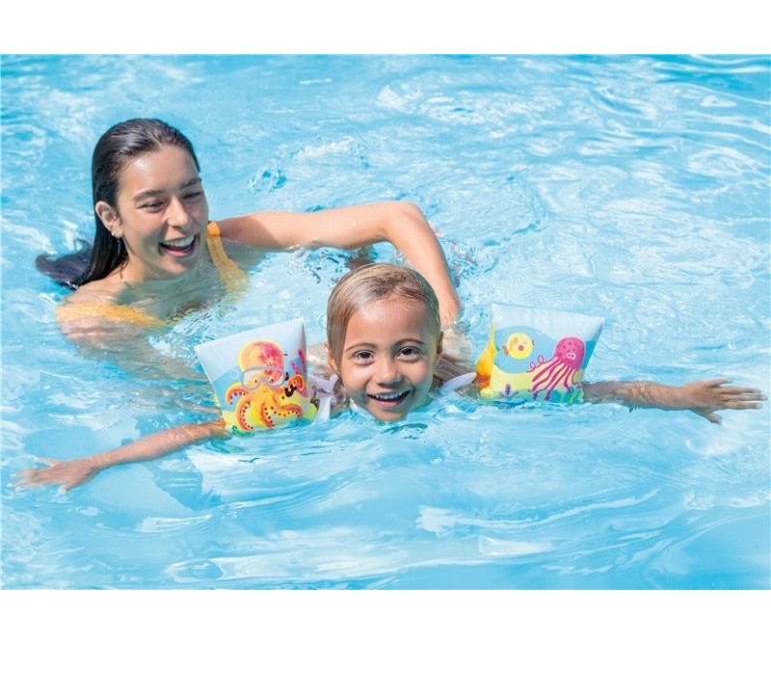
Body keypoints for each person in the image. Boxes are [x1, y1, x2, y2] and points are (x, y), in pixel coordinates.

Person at [13, 264, 766, 492]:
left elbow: (587, 391)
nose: (388, 375)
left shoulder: (460, 384)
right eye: (366, 358)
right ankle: (355, 273)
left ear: (429, 353)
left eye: (407, 353)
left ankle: (411, 299)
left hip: (449, 343)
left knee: (442, 325)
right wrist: (99, 460)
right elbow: (197, 430)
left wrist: (679, 398)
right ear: (338, 361)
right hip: (325, 354)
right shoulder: (313, 400)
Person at [36, 118, 462, 355]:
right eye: (153, 204)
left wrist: (445, 324)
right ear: (111, 218)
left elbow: (397, 215)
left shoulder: (231, 243)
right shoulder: (97, 320)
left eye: (192, 193)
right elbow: (201, 397)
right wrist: (332, 357)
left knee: (442, 255)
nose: (183, 218)